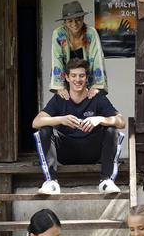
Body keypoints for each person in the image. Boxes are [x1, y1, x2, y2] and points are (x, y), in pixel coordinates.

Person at [33, 58, 125, 195]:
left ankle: (106, 181)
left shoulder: (96, 98)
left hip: (92, 151)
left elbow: (121, 122)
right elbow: (36, 122)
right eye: (74, 76)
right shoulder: (60, 98)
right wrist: (61, 119)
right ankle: (51, 182)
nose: (78, 79)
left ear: (87, 77)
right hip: (66, 152)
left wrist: (99, 119)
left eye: (81, 76)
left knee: (111, 129)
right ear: (67, 78)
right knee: (44, 129)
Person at [50, 0, 108, 100]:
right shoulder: (58, 34)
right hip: (68, 82)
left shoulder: (91, 33)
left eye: (78, 19)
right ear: (64, 22)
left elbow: (98, 58)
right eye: (70, 21)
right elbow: (57, 60)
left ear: (83, 18)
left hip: (87, 81)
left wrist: (97, 86)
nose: (74, 24)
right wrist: (60, 87)